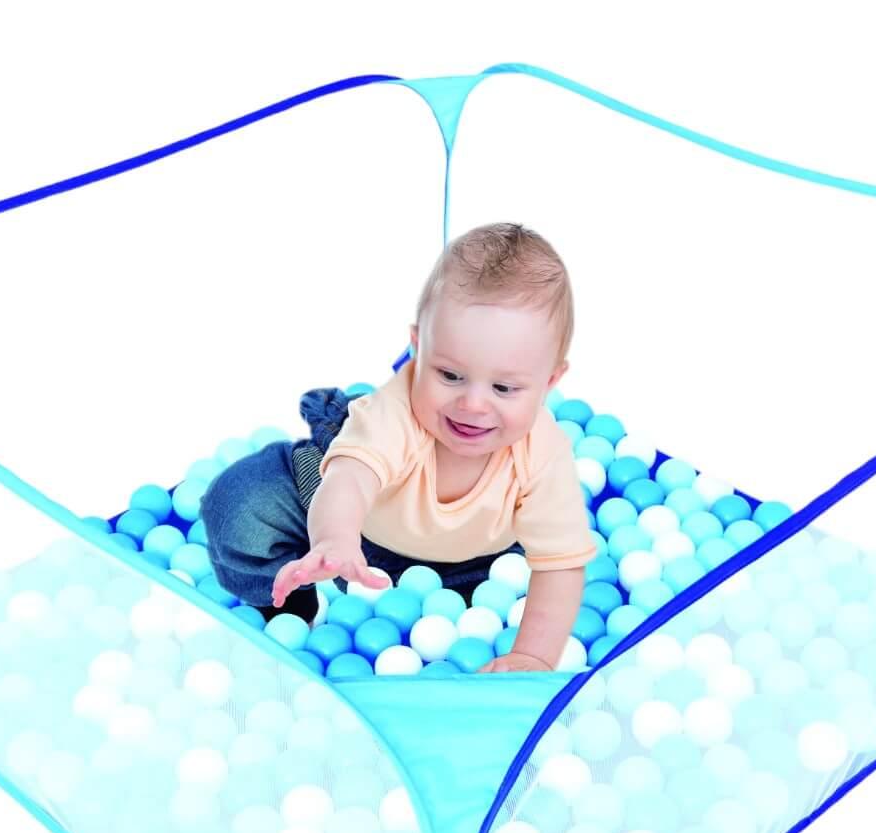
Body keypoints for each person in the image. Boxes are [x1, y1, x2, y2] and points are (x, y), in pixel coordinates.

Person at [201, 222, 596, 672]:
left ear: (550, 381)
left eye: (504, 388)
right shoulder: (398, 412)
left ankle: (443, 600)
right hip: (356, 525)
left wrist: (532, 655)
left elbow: (560, 566)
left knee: (546, 563)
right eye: (450, 375)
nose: (472, 405)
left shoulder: (544, 452)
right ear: (417, 349)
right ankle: (290, 607)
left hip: (474, 563)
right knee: (240, 505)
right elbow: (351, 480)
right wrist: (333, 540)